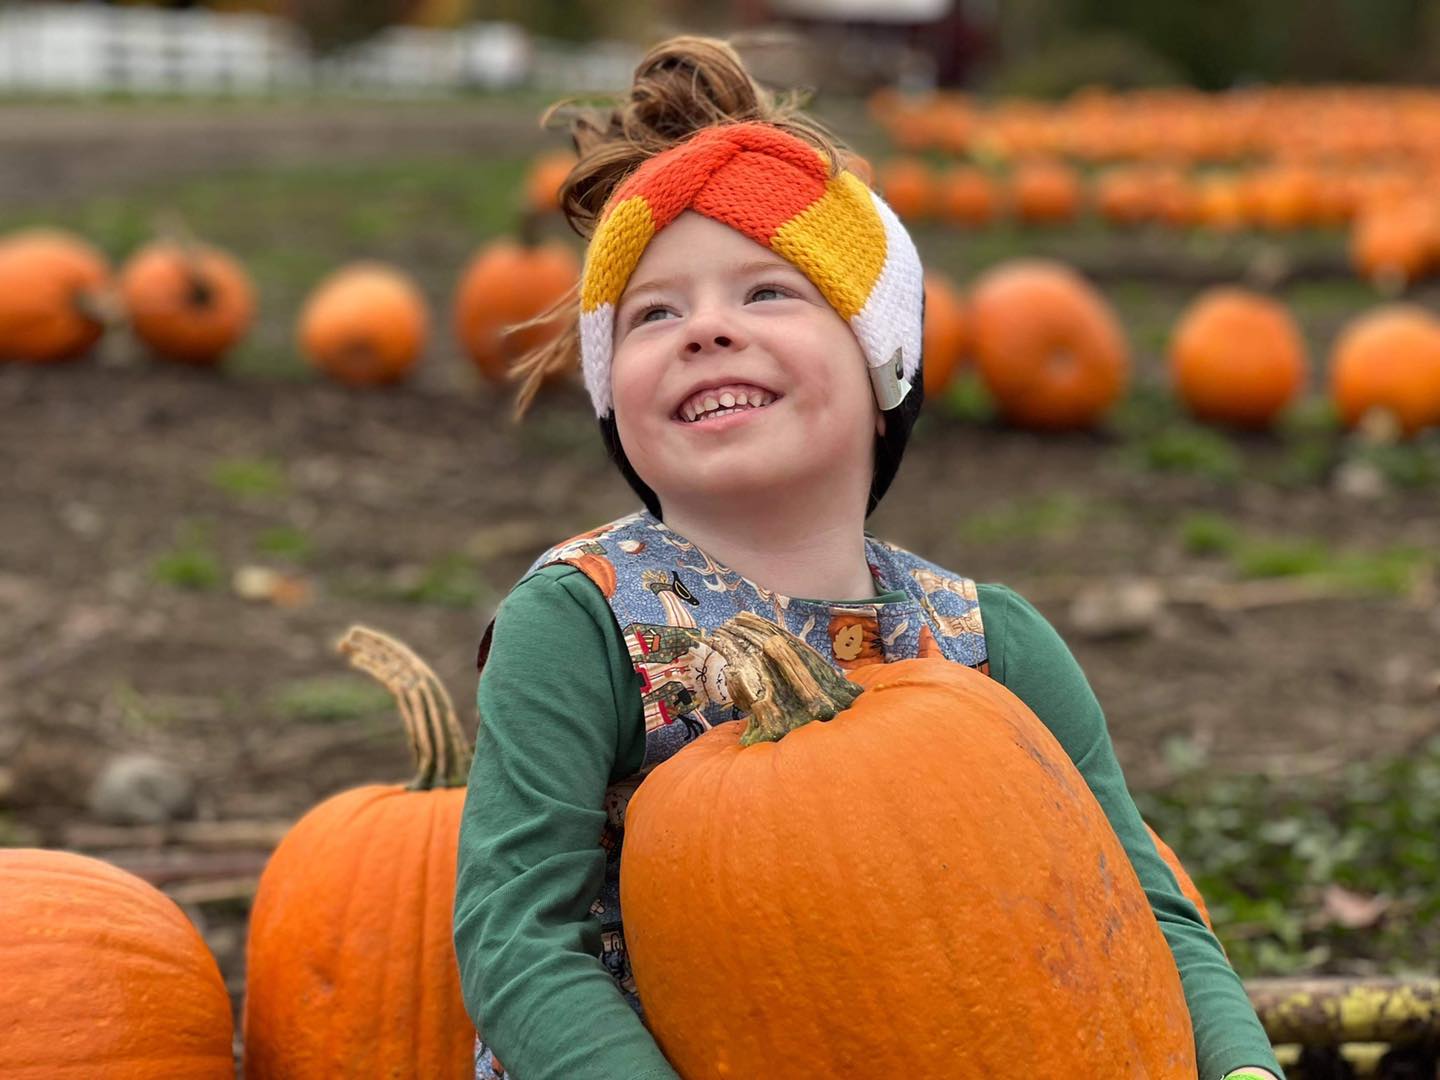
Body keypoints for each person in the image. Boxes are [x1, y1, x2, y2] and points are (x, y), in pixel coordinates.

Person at [452, 34, 1284, 1080]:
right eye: (655, 314)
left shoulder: (992, 642)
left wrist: (1240, 1065)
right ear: (617, 401)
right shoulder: (581, 626)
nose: (705, 330)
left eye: (765, 294)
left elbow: (1142, 901)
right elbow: (517, 934)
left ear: (881, 359)